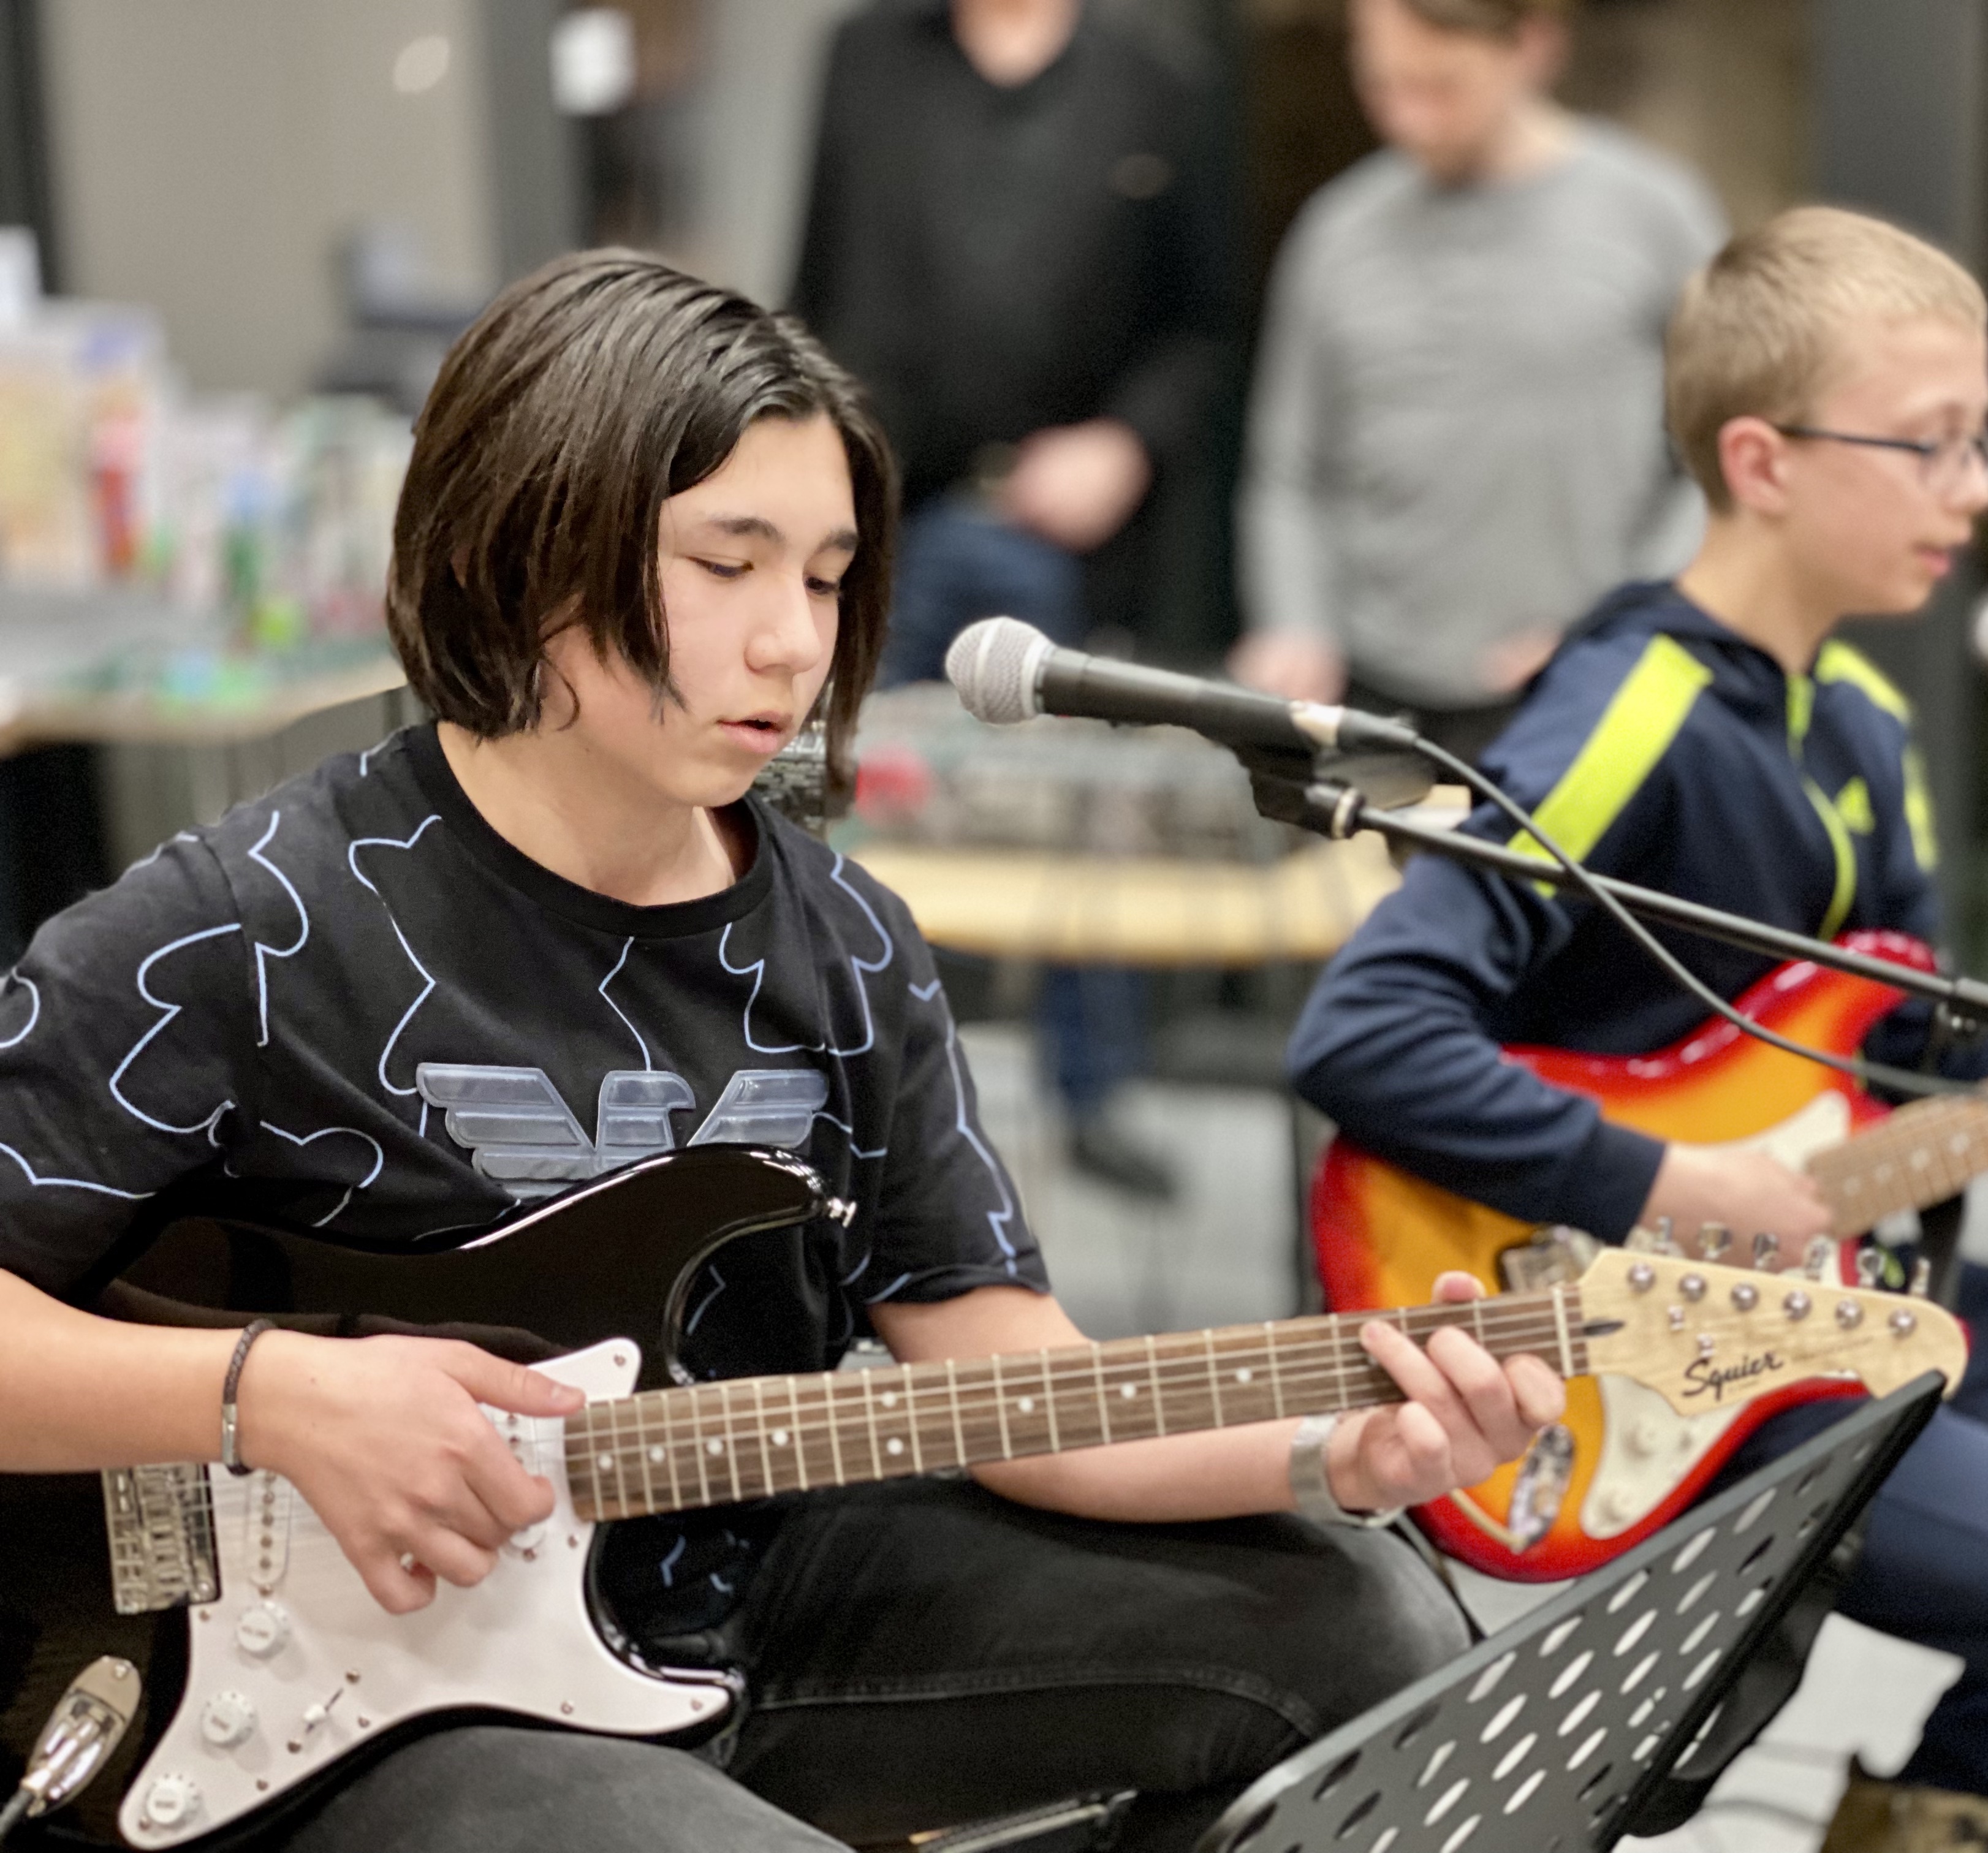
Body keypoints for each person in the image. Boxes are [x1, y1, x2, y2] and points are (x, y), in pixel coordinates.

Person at [0, 252, 1563, 1853]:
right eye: (727, 564)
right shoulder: (252, 924)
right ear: (529, 537)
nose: (790, 645)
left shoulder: (843, 942)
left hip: (755, 1597)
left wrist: (1337, 1443)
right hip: (346, 1683)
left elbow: (1015, 1379)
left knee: (1365, 1621)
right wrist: (275, 1397)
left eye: (822, 578)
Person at [1284, 208, 1988, 1852]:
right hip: (1633, 1354)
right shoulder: (1630, 712)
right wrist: (1672, 1191)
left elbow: (1934, 1077)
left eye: (1986, 438)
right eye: (1932, 445)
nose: (1978, 488)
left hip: (1824, 1300)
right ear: (1761, 461)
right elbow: (1366, 1029)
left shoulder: (1864, 724)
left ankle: (1936, 1812)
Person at [789, 0, 1235, 1198]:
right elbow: (817, 276)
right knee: (837, 801)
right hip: (888, 511)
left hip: (1065, 525)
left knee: (1088, 816)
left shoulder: (1157, 77)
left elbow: (1204, 329)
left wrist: (1128, 445)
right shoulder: (868, 55)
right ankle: (835, 1088)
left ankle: (1094, 1096)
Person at [1231, 0, 1724, 764]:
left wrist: (1620, 627)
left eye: (1440, 86)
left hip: (1585, 697)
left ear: (1534, 45)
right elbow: (1289, 470)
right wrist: (1298, 622)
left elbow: (1713, 467)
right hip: (1371, 701)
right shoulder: (1337, 232)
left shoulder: (1658, 215)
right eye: (1383, 86)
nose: (1408, 120)